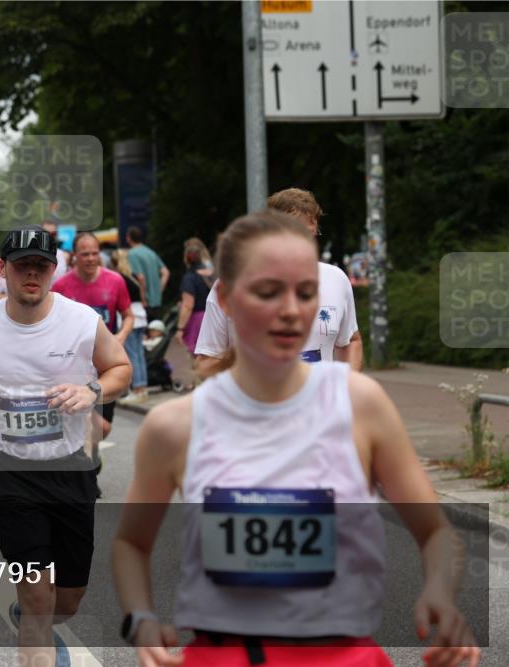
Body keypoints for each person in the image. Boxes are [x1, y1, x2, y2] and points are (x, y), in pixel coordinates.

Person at [112, 210, 480, 667]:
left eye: (306, 293)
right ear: (224, 298)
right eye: (268, 291)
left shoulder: (360, 403)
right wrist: (141, 619)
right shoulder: (175, 426)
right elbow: (130, 543)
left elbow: (435, 531)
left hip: (344, 656)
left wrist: (440, 594)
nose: (291, 310)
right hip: (223, 656)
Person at [0, 225, 132, 667]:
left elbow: (119, 368)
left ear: (54, 270)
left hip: (70, 470)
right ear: (2, 269)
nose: (32, 274)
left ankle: (41, 617)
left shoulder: (82, 321)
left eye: (42, 266)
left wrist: (91, 391)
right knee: (36, 595)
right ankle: (35, 627)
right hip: (10, 473)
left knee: (68, 598)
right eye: (23, 265)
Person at [195, 188, 363, 379]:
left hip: (319, 408)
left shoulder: (335, 279)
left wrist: (347, 386)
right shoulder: (234, 284)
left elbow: (350, 340)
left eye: (310, 234)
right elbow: (207, 360)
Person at [51, 232, 132, 494]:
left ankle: (92, 453)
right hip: (73, 365)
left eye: (94, 252)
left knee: (103, 427)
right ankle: (83, 475)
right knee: (81, 420)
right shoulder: (62, 286)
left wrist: (120, 336)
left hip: (105, 366)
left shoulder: (115, 281)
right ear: (74, 256)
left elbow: (128, 315)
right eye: (84, 253)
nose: (90, 258)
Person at [112, 249, 150, 405]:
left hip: (130, 317)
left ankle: (137, 389)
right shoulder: (135, 277)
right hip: (141, 315)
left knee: (132, 355)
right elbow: (143, 297)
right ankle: (143, 388)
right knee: (139, 354)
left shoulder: (118, 279)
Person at [174, 245, 214, 356]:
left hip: (199, 322)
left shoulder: (190, 278)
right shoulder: (214, 275)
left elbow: (188, 305)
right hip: (219, 318)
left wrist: (180, 329)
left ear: (186, 259)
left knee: (201, 360)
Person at [126, 226, 170, 322]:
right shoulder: (151, 252)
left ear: (128, 238)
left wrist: (143, 299)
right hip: (156, 301)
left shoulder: (132, 254)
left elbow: (140, 277)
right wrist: (159, 289)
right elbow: (165, 272)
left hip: (145, 303)